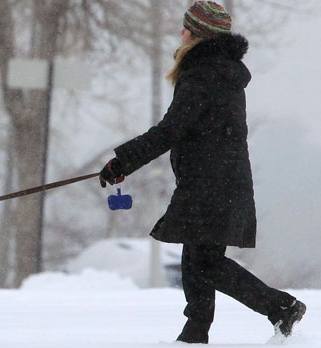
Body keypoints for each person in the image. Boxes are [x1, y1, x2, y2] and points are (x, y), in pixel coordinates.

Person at [98, 1, 305, 344]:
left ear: (198, 35)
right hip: (219, 180)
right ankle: (195, 332)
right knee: (197, 260)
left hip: (209, 184)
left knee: (204, 263)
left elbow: (171, 129)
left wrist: (123, 161)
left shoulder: (204, 74)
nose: (181, 33)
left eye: (186, 28)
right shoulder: (223, 73)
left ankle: (280, 307)